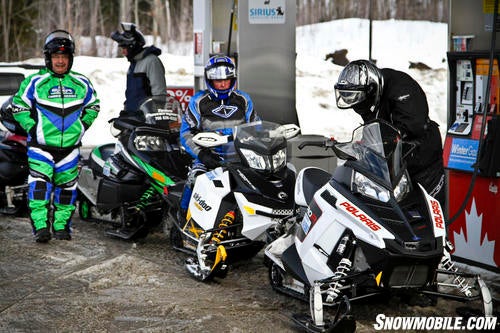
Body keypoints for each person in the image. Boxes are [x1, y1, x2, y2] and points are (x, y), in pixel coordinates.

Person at [11, 30, 100, 242]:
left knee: (67, 191)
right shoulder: (35, 81)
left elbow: (93, 106)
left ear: (70, 59)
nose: (60, 61)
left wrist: (81, 126)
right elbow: (19, 105)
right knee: (39, 188)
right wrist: (31, 127)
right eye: (56, 57)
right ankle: (41, 228)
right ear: (48, 58)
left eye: (64, 57)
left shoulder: (81, 83)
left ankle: (62, 228)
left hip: (70, 149)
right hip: (41, 147)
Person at [334, 59, 445, 207]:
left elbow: (412, 128)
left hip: (421, 157)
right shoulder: (368, 100)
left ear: (372, 89)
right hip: (395, 164)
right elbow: (374, 128)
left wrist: (384, 143)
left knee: (426, 209)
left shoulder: (403, 89)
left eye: (357, 99)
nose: (357, 105)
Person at [179, 55, 260, 214]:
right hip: (210, 157)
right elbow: (186, 133)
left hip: (241, 157)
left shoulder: (243, 99)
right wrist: (202, 155)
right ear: (209, 80)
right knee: (195, 178)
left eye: (227, 80)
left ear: (233, 79)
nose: (223, 84)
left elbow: (256, 127)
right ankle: (182, 217)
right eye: (218, 80)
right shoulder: (198, 101)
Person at [111, 22, 167, 118]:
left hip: (147, 119)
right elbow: (133, 93)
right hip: (133, 117)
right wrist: (127, 109)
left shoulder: (151, 61)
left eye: (125, 48)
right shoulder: (134, 63)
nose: (123, 52)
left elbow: (159, 95)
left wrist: (153, 116)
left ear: (133, 46)